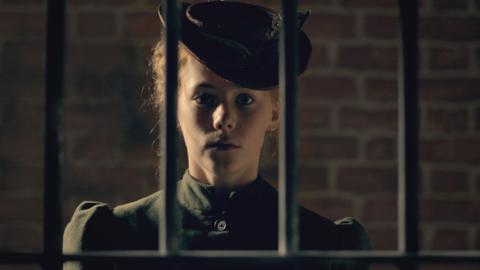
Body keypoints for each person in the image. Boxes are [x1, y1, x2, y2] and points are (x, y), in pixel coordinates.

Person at [63, 1, 371, 270]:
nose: (223, 118)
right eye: (204, 98)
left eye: (245, 100)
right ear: (173, 108)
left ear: (274, 114)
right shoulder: (113, 238)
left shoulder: (324, 246)